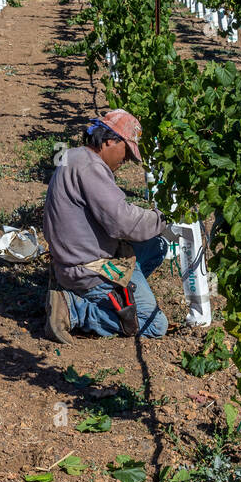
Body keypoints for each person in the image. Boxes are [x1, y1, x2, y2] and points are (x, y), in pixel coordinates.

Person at [43, 109, 177, 344]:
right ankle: (74, 309)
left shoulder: (72, 156)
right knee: (154, 324)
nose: (125, 161)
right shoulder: (90, 168)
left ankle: (111, 296)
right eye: (126, 152)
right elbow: (122, 222)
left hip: (69, 259)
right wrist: (162, 217)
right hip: (87, 269)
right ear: (109, 141)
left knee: (156, 246)